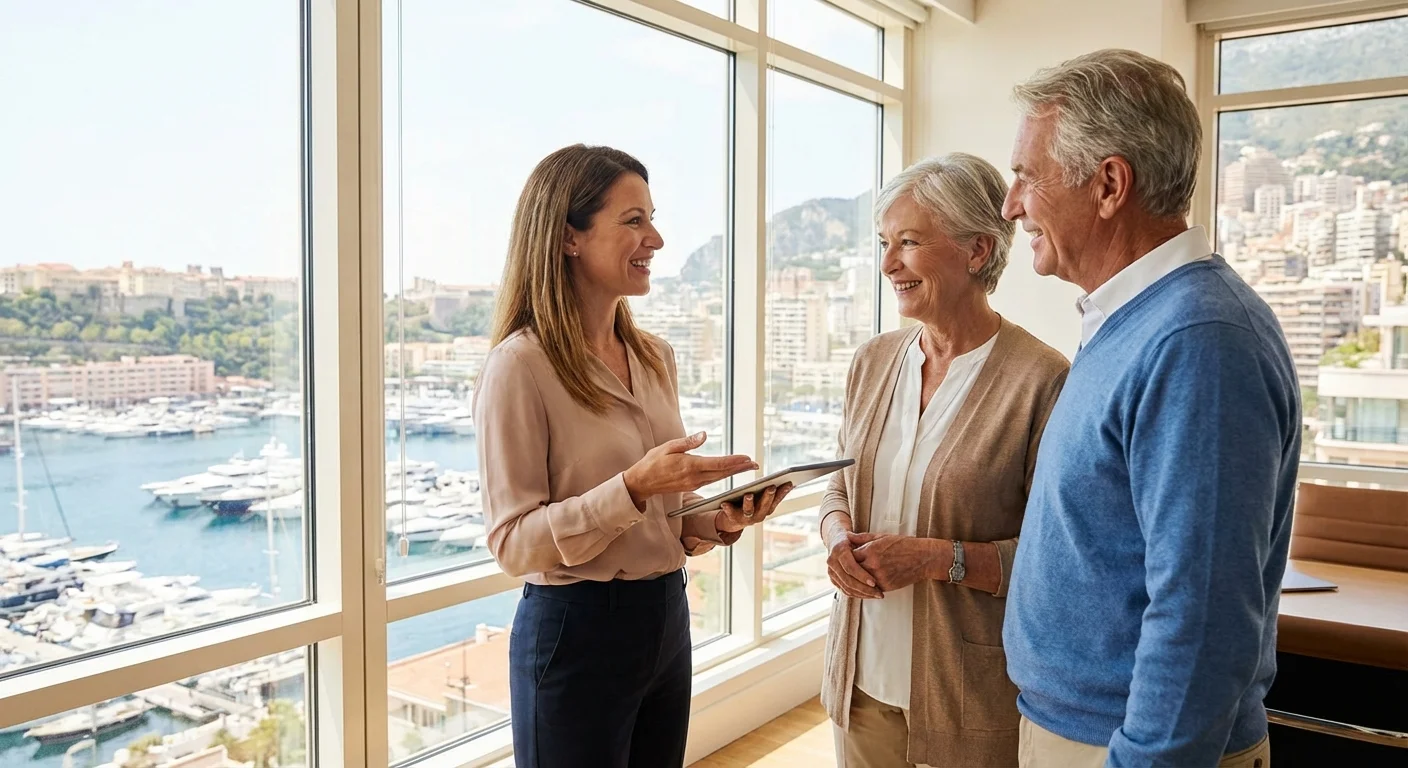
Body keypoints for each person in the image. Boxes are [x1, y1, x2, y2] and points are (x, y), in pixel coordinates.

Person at [1000, 49, 1300, 768]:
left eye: (1026, 177)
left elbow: (1203, 618)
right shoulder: (1137, 320)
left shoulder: (1199, 340)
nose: (1011, 204)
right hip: (1080, 729)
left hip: (1130, 748)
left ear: (1109, 184)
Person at [473, 144, 791, 768]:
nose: (658, 239)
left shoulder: (653, 358)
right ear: (569, 238)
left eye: (653, 217)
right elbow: (512, 543)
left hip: (665, 616)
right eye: (634, 221)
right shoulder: (519, 367)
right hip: (575, 631)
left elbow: (664, 512)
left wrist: (716, 518)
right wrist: (634, 488)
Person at [820, 153, 1070, 768]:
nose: (887, 265)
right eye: (884, 243)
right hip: (860, 682)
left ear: (978, 250)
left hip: (969, 698)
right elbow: (839, 490)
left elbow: (1055, 561)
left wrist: (934, 559)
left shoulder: (1044, 381)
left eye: (908, 242)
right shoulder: (872, 361)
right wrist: (835, 538)